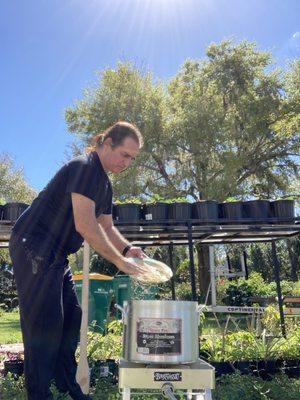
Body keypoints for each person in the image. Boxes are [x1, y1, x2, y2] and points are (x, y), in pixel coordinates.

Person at [9, 121, 146, 400]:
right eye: (125, 154)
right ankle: (38, 394)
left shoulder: (104, 184)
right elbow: (86, 226)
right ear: (107, 143)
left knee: (71, 319)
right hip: (33, 245)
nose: (128, 162)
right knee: (45, 325)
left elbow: (106, 227)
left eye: (132, 157)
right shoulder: (84, 167)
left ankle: (67, 387)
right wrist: (119, 264)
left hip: (57, 254)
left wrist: (128, 249)